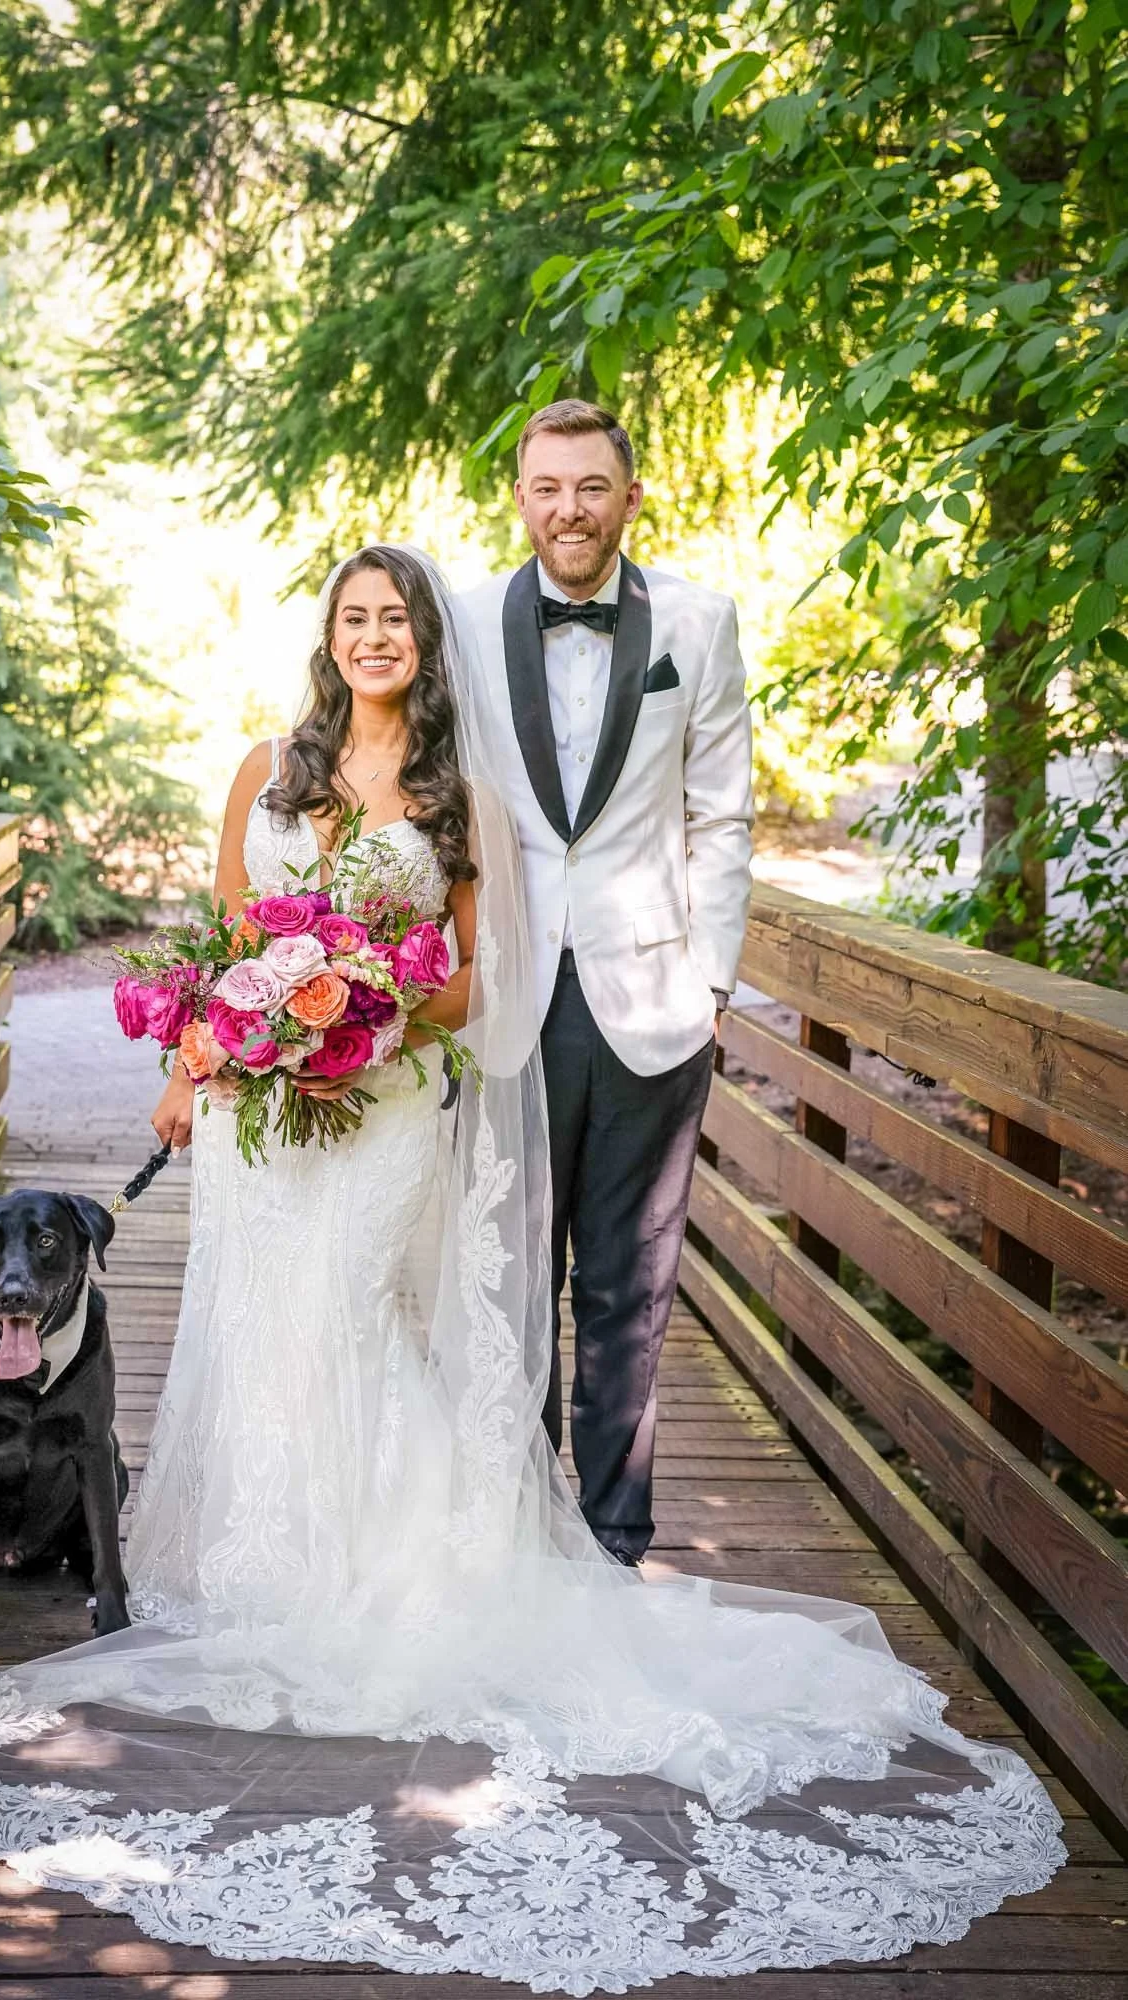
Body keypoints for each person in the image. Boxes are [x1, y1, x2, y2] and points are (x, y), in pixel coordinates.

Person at [0, 544, 1061, 1994]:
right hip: (263, 1129)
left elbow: (465, 985)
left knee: (358, 1318)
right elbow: (216, 941)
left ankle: (383, 1575)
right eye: (352, 617)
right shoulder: (264, 765)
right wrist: (217, 1039)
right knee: (262, 1328)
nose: (373, 635)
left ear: (422, 642)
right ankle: (268, 1566)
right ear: (327, 639)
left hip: (379, 1110)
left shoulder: (457, 798)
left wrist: (356, 1017)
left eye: (395, 619)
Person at [462, 399, 753, 1566]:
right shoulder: (468, 618)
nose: (568, 508)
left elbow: (721, 813)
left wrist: (715, 983)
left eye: (591, 486)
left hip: (651, 999)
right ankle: (520, 1528)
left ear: (630, 497)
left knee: (628, 1280)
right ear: (520, 496)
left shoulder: (697, 618)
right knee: (509, 1275)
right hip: (507, 996)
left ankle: (614, 1534)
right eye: (547, 486)